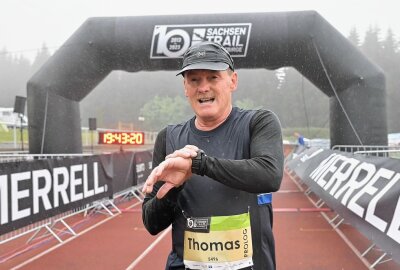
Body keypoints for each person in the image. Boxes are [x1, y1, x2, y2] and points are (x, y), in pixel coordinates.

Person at [141, 41, 284, 270]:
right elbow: (151, 223)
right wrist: (173, 188)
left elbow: (269, 175)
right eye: (194, 80)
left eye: (213, 77)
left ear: (232, 81)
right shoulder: (168, 138)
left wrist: (200, 165)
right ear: (185, 87)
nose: (203, 87)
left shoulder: (258, 122)